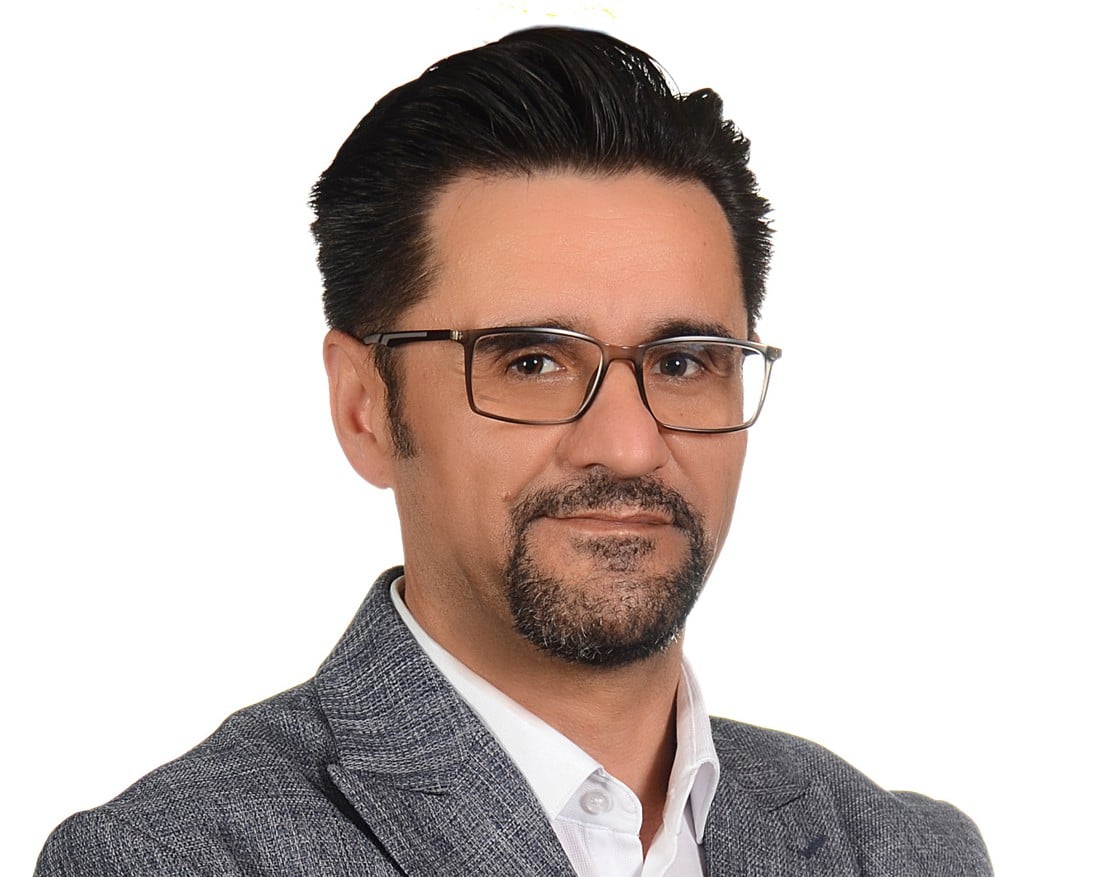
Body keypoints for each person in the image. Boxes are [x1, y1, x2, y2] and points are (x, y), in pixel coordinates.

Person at [35, 27, 991, 877]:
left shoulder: (900, 852)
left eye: (683, 361)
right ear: (365, 408)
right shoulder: (176, 858)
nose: (628, 444)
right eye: (530, 362)